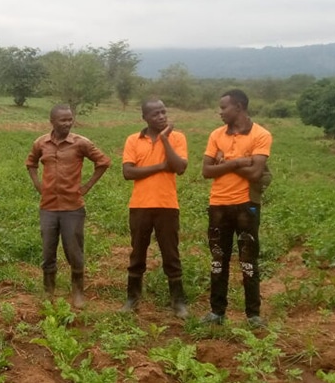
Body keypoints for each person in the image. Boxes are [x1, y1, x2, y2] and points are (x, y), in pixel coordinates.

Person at [26, 104, 110, 309]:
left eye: (70, 119)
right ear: (52, 121)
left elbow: (103, 162)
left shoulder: (81, 143)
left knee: (74, 251)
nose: (67, 123)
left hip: (73, 207)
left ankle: (78, 292)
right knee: (48, 251)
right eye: (62, 120)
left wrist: (87, 186)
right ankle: (49, 292)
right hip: (48, 207)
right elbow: (31, 163)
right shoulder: (41, 143)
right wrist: (39, 185)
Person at [201, 89, 272, 327]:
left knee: (248, 260)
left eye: (224, 108)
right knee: (218, 260)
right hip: (218, 205)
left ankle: (253, 315)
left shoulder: (261, 135)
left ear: (239, 107)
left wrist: (226, 162)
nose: (220, 112)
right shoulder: (216, 135)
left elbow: (255, 173)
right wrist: (241, 161)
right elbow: (206, 171)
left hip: (246, 206)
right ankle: (216, 312)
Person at [119, 99, 188, 318]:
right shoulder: (133, 140)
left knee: (171, 254)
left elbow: (179, 167)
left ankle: (178, 302)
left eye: (163, 112)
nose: (161, 116)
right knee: (137, 253)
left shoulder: (178, 138)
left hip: (167, 205)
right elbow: (128, 172)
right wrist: (159, 167)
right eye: (155, 113)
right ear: (145, 118)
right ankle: (132, 298)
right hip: (140, 206)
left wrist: (165, 139)